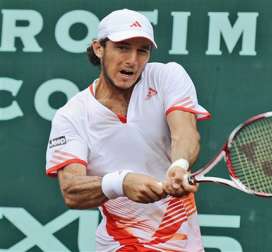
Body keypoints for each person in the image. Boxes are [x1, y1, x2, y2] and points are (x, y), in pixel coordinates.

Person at [45, 8, 210, 252]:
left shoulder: (167, 77)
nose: (132, 60)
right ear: (99, 48)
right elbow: (72, 190)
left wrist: (179, 165)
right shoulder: (72, 115)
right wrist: (121, 183)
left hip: (182, 244)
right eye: (123, 47)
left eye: (142, 50)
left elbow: (185, 132)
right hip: (120, 244)